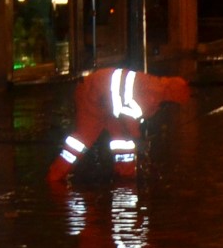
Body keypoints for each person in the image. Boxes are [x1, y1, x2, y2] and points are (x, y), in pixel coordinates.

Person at [48, 67, 190, 183]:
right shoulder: (150, 97)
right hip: (93, 96)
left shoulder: (156, 89)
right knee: (82, 140)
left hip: (104, 98)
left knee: (123, 140)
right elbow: (128, 117)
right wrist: (138, 137)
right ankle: (55, 175)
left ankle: (125, 174)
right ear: (173, 98)